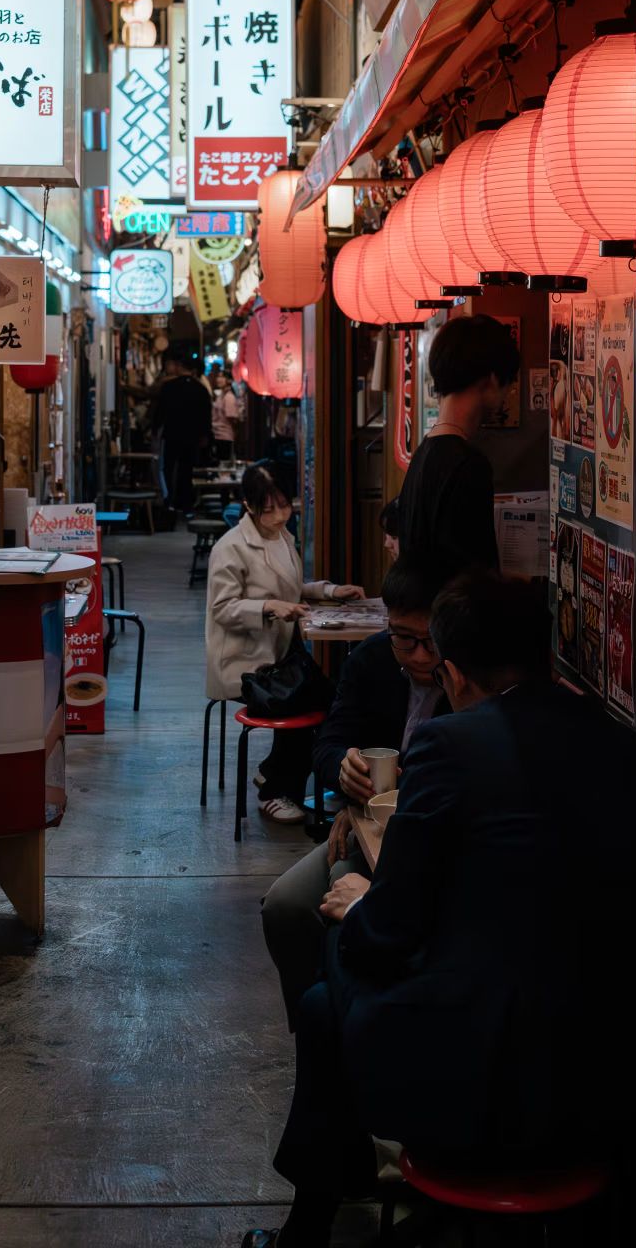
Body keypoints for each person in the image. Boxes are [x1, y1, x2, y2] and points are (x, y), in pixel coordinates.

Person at [257, 574, 636, 1248]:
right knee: (331, 994)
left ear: (451, 673)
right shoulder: (624, 746)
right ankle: (324, 1203)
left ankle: (317, 1217)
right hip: (613, 1064)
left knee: (332, 955)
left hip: (494, 1069)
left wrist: (360, 907)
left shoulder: (450, 746)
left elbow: (386, 936)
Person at [258, 556, 447, 1014]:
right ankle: (316, 1025)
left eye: (431, 641)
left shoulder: (468, 678)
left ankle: (351, 1026)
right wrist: (342, 769)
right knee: (281, 906)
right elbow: (327, 743)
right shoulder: (371, 661)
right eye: (405, 639)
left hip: (424, 840)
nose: (420, 655)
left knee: (339, 895)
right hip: (367, 824)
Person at [207, 466, 362, 823]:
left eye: (284, 505)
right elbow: (221, 608)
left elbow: (292, 587)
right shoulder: (230, 548)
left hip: (280, 657)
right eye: (268, 508)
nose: (279, 516)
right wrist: (268, 607)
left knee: (332, 698)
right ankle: (274, 791)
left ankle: (289, 774)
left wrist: (330, 591)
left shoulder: (281, 536)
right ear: (248, 505)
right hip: (244, 663)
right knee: (303, 702)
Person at [388, 314, 518, 575]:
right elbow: (472, 573)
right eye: (509, 384)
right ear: (492, 380)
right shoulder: (467, 464)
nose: (509, 394)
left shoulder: (424, 452)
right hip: (454, 614)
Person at [150, 349, 214, 512]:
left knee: (168, 468)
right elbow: (206, 414)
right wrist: (205, 434)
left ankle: (169, 501)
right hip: (192, 436)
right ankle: (185, 503)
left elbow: (160, 411)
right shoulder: (200, 389)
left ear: (179, 367)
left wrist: (154, 429)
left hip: (171, 434)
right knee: (187, 470)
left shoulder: (169, 387)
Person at [211, 366, 246, 458]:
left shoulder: (229, 397)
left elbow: (232, 419)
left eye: (222, 377)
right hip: (218, 435)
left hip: (225, 436)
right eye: (218, 376)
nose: (219, 379)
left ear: (229, 380)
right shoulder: (221, 395)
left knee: (224, 463)